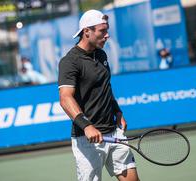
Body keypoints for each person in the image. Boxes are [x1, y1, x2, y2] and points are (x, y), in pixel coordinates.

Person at [58, 10, 139, 181]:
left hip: (114, 133)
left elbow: (105, 86)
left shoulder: (101, 54)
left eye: (107, 30)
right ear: (87, 31)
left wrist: (117, 111)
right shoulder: (70, 62)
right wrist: (86, 126)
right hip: (87, 139)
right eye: (102, 31)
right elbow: (65, 98)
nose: (107, 35)